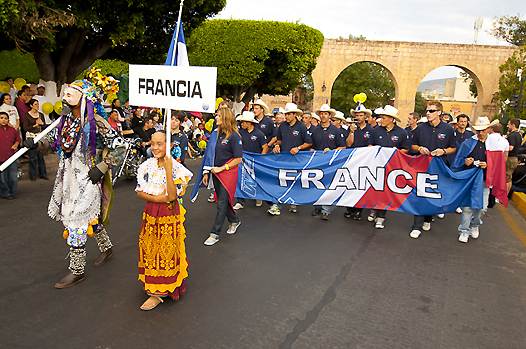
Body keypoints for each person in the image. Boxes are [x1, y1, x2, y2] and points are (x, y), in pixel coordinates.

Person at [45, 80, 118, 289]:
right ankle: (107, 247)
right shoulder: (64, 121)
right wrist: (32, 144)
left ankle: (77, 270)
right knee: (89, 217)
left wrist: (102, 167)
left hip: (88, 178)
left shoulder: (97, 122)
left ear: (84, 97)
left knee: (77, 219)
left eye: (71, 93)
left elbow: (121, 148)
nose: (66, 97)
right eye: (65, 93)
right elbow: (52, 142)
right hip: (67, 178)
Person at [135, 132, 193, 310]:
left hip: (168, 214)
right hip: (151, 211)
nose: (155, 148)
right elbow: (139, 191)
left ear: (168, 145)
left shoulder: (176, 168)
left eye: (159, 144)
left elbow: (173, 195)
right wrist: (158, 199)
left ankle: (160, 292)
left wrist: (168, 169)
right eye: (153, 144)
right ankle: (153, 285)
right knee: (149, 247)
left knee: (166, 249)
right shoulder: (146, 166)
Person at [409, 101, 456, 239]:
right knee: (420, 194)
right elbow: (412, 145)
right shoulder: (420, 128)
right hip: (422, 166)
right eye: (427, 111)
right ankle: (416, 225)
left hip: (439, 167)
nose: (428, 113)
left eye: (431, 111)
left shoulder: (448, 129)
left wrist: (443, 151)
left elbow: (453, 147)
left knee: (432, 194)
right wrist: (419, 148)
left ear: (439, 113)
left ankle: (428, 218)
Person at [202, 106, 243, 246]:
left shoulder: (234, 136)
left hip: (228, 173)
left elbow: (238, 159)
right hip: (216, 172)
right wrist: (206, 171)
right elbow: (210, 155)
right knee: (221, 201)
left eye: (218, 115)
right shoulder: (216, 134)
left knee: (221, 203)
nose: (216, 117)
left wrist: (222, 168)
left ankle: (215, 233)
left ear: (225, 117)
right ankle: (234, 220)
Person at [451, 117, 493, 243]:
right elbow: (457, 160)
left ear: (489, 130)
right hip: (469, 179)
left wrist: (488, 164)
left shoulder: (493, 145)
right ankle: (464, 230)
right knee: (467, 207)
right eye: (478, 130)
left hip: (485, 180)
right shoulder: (468, 143)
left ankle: (475, 225)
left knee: (482, 207)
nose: (480, 133)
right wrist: (465, 161)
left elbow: (499, 163)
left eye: (483, 130)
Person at [370, 106, 411, 229]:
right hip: (376, 165)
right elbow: (370, 144)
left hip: (392, 167)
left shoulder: (402, 132)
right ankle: (374, 209)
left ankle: (381, 217)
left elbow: (406, 149)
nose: (381, 119)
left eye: (383, 117)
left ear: (392, 119)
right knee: (375, 189)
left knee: (385, 191)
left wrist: (396, 152)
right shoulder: (376, 130)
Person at [268, 102, 312, 215]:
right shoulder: (282, 126)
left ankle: (294, 202)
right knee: (281, 181)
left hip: (297, 159)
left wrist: (298, 148)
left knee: (294, 182)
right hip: (283, 157)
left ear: (294, 114)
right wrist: (277, 145)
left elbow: (308, 143)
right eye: (285, 114)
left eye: (288, 114)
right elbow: (279, 139)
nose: (286, 116)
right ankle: (277, 204)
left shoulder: (301, 126)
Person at [311, 104, 346, 220]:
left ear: (329, 116)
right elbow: (312, 146)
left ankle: (326, 210)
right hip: (318, 162)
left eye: (325, 113)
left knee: (330, 186)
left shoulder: (335, 131)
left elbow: (342, 147)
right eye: (321, 113)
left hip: (332, 163)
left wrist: (332, 151)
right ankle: (317, 206)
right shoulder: (315, 130)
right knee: (317, 184)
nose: (323, 116)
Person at [233, 111, 269, 210]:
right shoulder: (240, 132)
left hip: (255, 161)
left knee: (255, 179)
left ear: (249, 123)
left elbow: (265, 147)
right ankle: (240, 201)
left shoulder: (259, 134)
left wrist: (261, 160)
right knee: (240, 179)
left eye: (244, 122)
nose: (242, 124)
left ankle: (258, 197)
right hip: (243, 160)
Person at [345, 103, 373, 220]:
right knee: (350, 184)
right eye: (357, 115)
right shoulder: (351, 129)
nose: (358, 117)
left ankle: (359, 210)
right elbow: (348, 144)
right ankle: (350, 208)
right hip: (352, 160)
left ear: (365, 117)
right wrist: (351, 132)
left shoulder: (371, 130)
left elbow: (371, 146)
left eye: (361, 115)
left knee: (361, 185)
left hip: (364, 161)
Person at [22, 99, 48, 180]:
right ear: (31, 105)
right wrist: (35, 125)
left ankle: (43, 174)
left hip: (39, 137)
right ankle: (33, 176)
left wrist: (42, 124)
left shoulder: (40, 115)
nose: (37, 105)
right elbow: (25, 128)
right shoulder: (27, 115)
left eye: (38, 104)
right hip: (31, 137)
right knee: (32, 157)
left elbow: (43, 127)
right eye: (35, 104)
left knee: (41, 156)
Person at [0, 111, 21, 199]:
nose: (3, 120)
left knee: (13, 177)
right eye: (1, 118)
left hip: (12, 157)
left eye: (5, 118)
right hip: (1, 157)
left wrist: (16, 144)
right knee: (2, 179)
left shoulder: (12, 130)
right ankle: (5, 193)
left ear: (8, 120)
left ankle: (12, 192)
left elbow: (18, 139)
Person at [506, 118, 522, 194]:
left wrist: (502, 148)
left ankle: (503, 196)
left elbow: (510, 148)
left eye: (509, 124)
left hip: (510, 159)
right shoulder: (519, 135)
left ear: (513, 125)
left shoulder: (512, 135)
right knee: (509, 178)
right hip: (515, 158)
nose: (507, 126)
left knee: (506, 178)